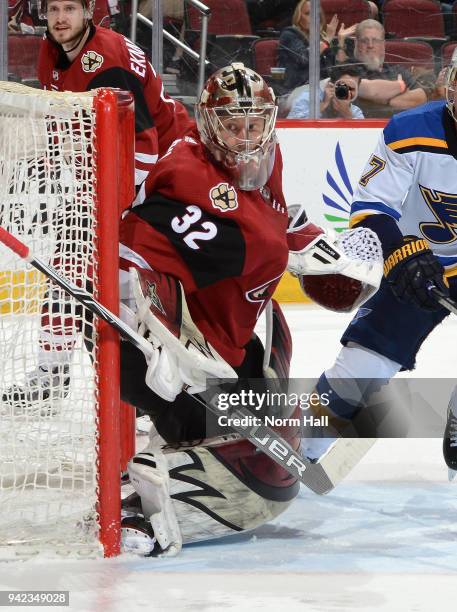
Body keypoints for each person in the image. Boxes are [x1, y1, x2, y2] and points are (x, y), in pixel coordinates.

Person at [116, 63, 383, 554]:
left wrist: (311, 244)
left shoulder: (268, 158)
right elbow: (131, 247)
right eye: (232, 126)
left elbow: (278, 217)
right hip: (163, 353)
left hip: (225, 338)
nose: (244, 138)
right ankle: (134, 501)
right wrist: (150, 329)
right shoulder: (187, 177)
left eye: (254, 125)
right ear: (209, 124)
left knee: (276, 462)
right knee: (260, 477)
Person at [2, 0, 190, 411]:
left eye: (70, 7)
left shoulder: (105, 58)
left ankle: (160, 378)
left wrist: (114, 206)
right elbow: (63, 119)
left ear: (89, 12)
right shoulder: (51, 52)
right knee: (69, 262)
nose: (60, 17)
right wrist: (61, 169)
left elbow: (145, 144)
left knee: (126, 275)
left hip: (169, 168)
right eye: (53, 8)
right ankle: (52, 374)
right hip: (112, 167)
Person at [302, 53, 457, 472]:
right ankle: (300, 450)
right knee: (365, 365)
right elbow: (372, 209)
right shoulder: (410, 130)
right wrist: (400, 253)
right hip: (420, 261)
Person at [347, 19, 427, 118]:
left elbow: (421, 97)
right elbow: (371, 91)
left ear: (383, 44)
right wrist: (401, 91)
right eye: (364, 41)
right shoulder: (349, 70)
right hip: (365, 128)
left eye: (375, 40)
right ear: (356, 43)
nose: (370, 46)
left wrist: (387, 100)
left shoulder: (397, 70)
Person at [278, 0, 355, 93]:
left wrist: (341, 40)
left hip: (322, 88)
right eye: (308, 13)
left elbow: (338, 68)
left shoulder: (321, 38)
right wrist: (327, 40)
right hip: (295, 90)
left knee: (352, 83)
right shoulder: (289, 35)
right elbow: (304, 58)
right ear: (298, 17)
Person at [287, 63, 364, 119]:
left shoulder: (355, 111)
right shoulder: (308, 98)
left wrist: (347, 115)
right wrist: (323, 105)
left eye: (352, 89)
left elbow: (364, 137)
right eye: (343, 86)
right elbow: (290, 125)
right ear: (331, 85)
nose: (347, 92)